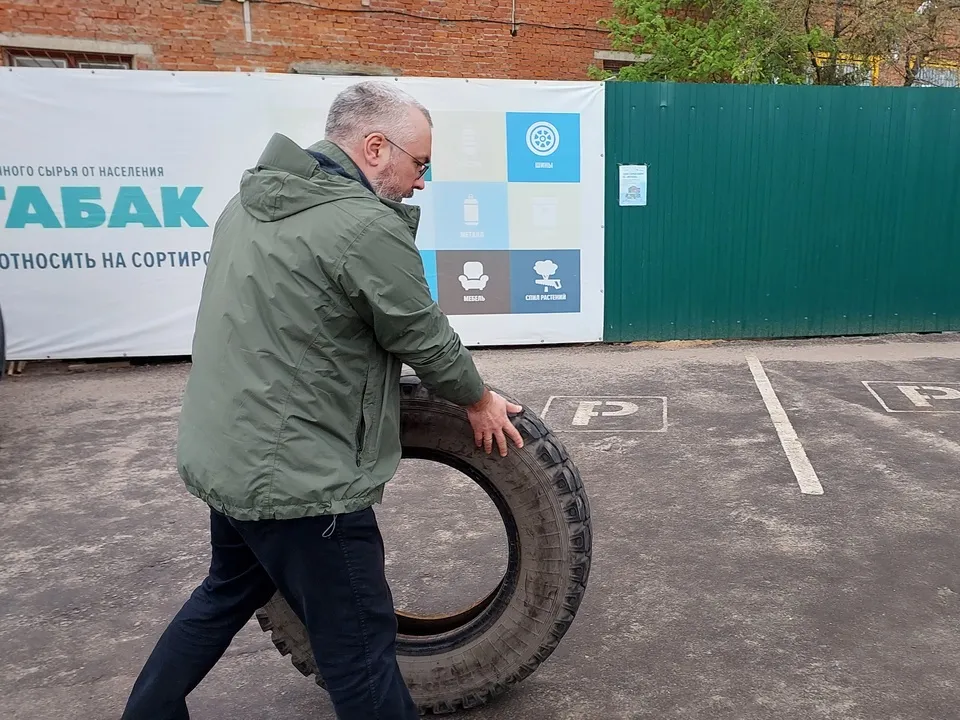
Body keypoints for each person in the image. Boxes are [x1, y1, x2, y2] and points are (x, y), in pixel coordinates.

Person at [120, 80, 524, 720]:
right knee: (360, 654)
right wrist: (476, 400)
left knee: (226, 591)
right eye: (420, 164)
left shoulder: (246, 204)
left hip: (229, 457)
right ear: (375, 147)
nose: (421, 183)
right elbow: (420, 333)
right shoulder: (364, 225)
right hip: (303, 483)